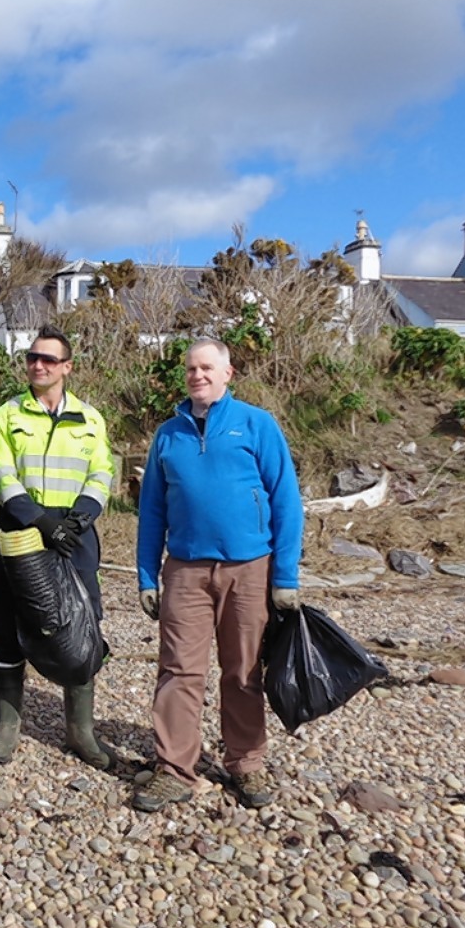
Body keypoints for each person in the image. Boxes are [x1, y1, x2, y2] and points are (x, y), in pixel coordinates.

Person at [134, 338, 303, 812]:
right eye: (191, 368)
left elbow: (287, 502)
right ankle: (174, 769)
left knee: (244, 671)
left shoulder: (257, 425)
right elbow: (151, 511)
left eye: (207, 368)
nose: (197, 375)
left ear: (228, 374)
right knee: (178, 672)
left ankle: (246, 763)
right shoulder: (168, 434)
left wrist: (285, 577)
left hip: (250, 569)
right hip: (185, 571)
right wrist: (148, 576)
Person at [0, 324, 116, 769]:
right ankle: (7, 728)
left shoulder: (90, 419)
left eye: (49, 359)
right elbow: (2, 473)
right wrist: (40, 521)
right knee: (7, 621)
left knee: (82, 620)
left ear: (67, 367)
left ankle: (81, 731)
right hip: (21, 532)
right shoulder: (7, 415)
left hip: (75, 536)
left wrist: (77, 520)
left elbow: (102, 473)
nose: (38, 365)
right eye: (32, 358)